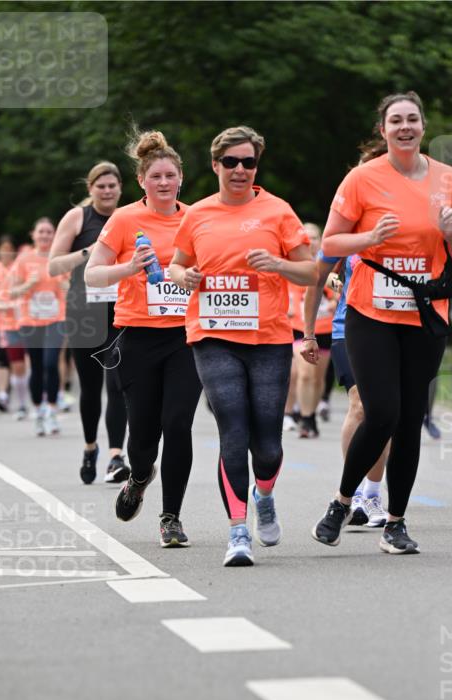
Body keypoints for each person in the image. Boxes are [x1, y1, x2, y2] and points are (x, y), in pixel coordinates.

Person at [311, 91, 452, 553]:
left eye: (412, 119)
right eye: (396, 120)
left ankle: (396, 523)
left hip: (425, 314)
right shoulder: (362, 178)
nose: (405, 127)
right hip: (371, 312)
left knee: (409, 419)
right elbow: (331, 243)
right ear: (382, 130)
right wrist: (368, 236)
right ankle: (343, 501)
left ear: (423, 126)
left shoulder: (447, 178)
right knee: (381, 411)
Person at [170, 125, 316, 566]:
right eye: (231, 162)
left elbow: (311, 272)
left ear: (256, 166)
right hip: (213, 335)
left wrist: (277, 264)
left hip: (268, 337)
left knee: (267, 444)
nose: (239, 169)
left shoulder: (278, 211)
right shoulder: (197, 214)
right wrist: (184, 276)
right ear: (215, 165)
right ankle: (237, 531)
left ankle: (264, 495)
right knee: (232, 427)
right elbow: (175, 266)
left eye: (248, 162)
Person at [86, 128, 202, 547]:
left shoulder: (196, 218)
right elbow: (92, 274)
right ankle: (138, 477)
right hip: (137, 337)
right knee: (143, 435)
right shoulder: (124, 220)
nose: (164, 182)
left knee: (178, 423)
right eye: (156, 176)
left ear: (181, 179)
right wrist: (129, 268)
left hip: (186, 338)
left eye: (170, 176)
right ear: (141, 181)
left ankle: (171, 517)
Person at [49, 161, 130, 485]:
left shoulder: (128, 217)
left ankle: (115, 456)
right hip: (84, 313)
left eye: (112, 186)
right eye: (101, 186)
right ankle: (90, 447)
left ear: (120, 188)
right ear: (91, 189)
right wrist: (89, 252)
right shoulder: (77, 218)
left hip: (120, 312)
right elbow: (53, 267)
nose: (107, 191)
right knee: (91, 387)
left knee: (117, 384)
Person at [303, 251, 388, 527]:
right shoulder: (347, 230)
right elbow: (319, 273)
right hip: (348, 329)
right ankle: (355, 490)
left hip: (391, 330)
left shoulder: (403, 231)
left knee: (383, 411)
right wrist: (309, 334)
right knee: (360, 404)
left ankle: (372, 493)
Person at [10, 218, 69, 436]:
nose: (44, 235)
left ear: (54, 235)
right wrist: (28, 284)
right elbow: (12, 291)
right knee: (35, 367)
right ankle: (38, 411)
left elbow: (71, 287)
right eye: (41, 231)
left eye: (48, 232)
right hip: (30, 319)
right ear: (33, 235)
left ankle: (52, 411)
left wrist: (65, 285)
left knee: (51, 363)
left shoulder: (59, 258)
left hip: (56, 318)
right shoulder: (23, 260)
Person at [289, 222, 336, 438]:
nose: (310, 242)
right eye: (305, 238)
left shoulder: (327, 267)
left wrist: (334, 301)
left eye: (314, 237)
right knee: (305, 373)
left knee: (317, 377)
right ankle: (305, 418)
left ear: (320, 241)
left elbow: (338, 289)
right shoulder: (293, 265)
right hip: (298, 327)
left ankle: (311, 414)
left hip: (324, 328)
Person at [0, 235, 24, 415]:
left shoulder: (18, 268)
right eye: (3, 249)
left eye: (9, 249)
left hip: (25, 322)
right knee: (10, 362)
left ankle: (25, 400)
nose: (6, 253)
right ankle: (7, 396)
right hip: (5, 324)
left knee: (24, 364)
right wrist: (6, 305)